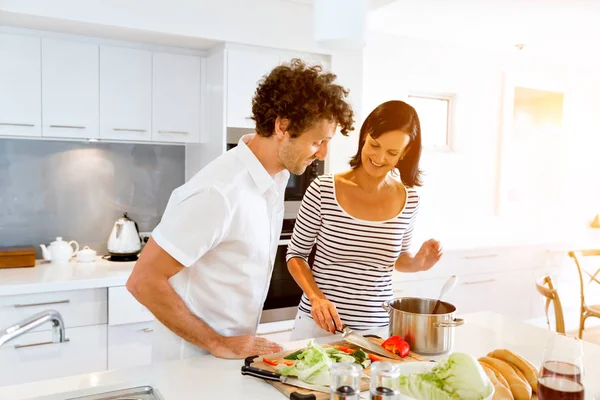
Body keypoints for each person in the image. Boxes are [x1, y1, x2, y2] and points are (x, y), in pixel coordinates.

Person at [126, 59, 354, 361]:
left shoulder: (273, 180)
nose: (323, 153)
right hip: (191, 366)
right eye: (317, 141)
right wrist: (217, 342)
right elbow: (142, 281)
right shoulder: (218, 191)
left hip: (228, 360)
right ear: (282, 126)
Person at [286, 100, 442, 340]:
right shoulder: (323, 189)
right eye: (375, 145)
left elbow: (399, 260)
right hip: (318, 326)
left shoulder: (409, 199)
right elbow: (295, 255)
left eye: (391, 152)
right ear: (364, 136)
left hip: (376, 331)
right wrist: (316, 298)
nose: (379, 157)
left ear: (405, 153)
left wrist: (418, 263)